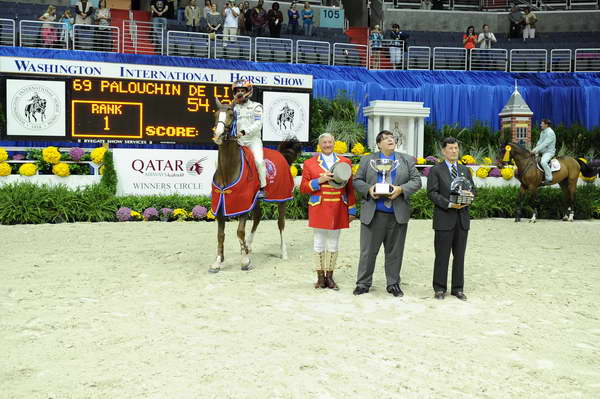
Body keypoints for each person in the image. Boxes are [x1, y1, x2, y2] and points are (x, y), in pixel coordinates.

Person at [352, 130, 422, 297]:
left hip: (397, 214)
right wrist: (369, 190)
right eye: (386, 138)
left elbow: (417, 181)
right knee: (368, 251)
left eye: (392, 138)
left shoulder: (406, 160)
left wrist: (401, 189)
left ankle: (393, 283)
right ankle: (363, 283)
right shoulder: (367, 160)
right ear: (378, 144)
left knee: (395, 252)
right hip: (373, 214)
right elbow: (357, 181)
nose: (390, 140)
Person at [300, 133, 357, 290]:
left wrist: (352, 209)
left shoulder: (345, 162)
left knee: (333, 243)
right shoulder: (310, 163)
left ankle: (330, 278)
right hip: (319, 206)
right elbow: (303, 188)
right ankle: (320, 278)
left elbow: (350, 188)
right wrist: (319, 180)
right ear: (319, 145)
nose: (327, 145)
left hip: (339, 206)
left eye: (330, 142)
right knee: (318, 242)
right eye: (324, 142)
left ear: (334, 143)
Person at [427, 137, 475, 301]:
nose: (454, 151)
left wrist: (470, 197)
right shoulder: (436, 170)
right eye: (451, 148)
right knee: (442, 255)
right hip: (444, 218)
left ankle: (458, 288)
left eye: (456, 148)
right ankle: (439, 288)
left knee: (459, 256)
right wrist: (448, 204)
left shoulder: (465, 170)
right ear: (443, 151)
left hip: (462, 219)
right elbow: (432, 193)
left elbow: (472, 190)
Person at [231, 79, 267, 196]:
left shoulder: (256, 106)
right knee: (219, 161)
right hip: (238, 141)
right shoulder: (234, 108)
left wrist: (244, 131)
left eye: (242, 90)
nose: (240, 93)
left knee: (258, 161)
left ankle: (263, 187)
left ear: (249, 91)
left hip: (253, 141)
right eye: (238, 91)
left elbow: (258, 125)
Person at [532, 119, 556, 185]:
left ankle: (549, 178)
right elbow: (539, 142)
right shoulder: (542, 132)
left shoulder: (550, 132)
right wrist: (534, 150)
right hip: (542, 151)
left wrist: (535, 150)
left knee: (543, 162)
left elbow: (545, 144)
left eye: (542, 124)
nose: (540, 125)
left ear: (546, 125)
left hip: (549, 152)